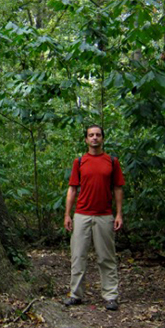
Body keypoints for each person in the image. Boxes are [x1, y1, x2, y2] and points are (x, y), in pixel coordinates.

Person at [63, 125, 125, 311]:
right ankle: (75, 294)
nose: (95, 138)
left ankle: (111, 296)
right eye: (91, 135)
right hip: (82, 214)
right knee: (78, 256)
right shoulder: (80, 161)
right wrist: (67, 214)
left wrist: (119, 213)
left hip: (104, 216)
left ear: (103, 139)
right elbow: (72, 188)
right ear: (86, 140)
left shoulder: (112, 162)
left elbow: (118, 188)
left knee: (106, 257)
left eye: (98, 135)